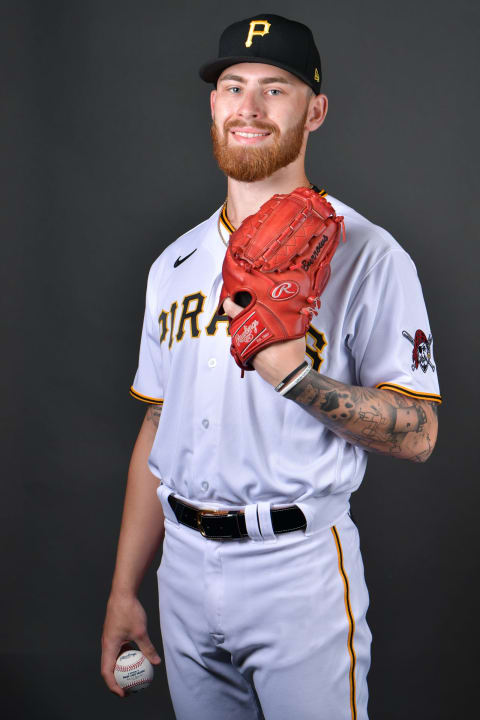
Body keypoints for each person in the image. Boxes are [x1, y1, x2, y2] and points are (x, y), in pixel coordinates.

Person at [101, 13, 441, 719]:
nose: (249, 108)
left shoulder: (369, 255)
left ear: (315, 110)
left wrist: (295, 377)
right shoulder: (174, 264)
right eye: (233, 87)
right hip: (184, 572)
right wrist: (124, 589)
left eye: (275, 89)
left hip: (298, 569)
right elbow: (157, 429)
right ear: (214, 103)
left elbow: (419, 434)